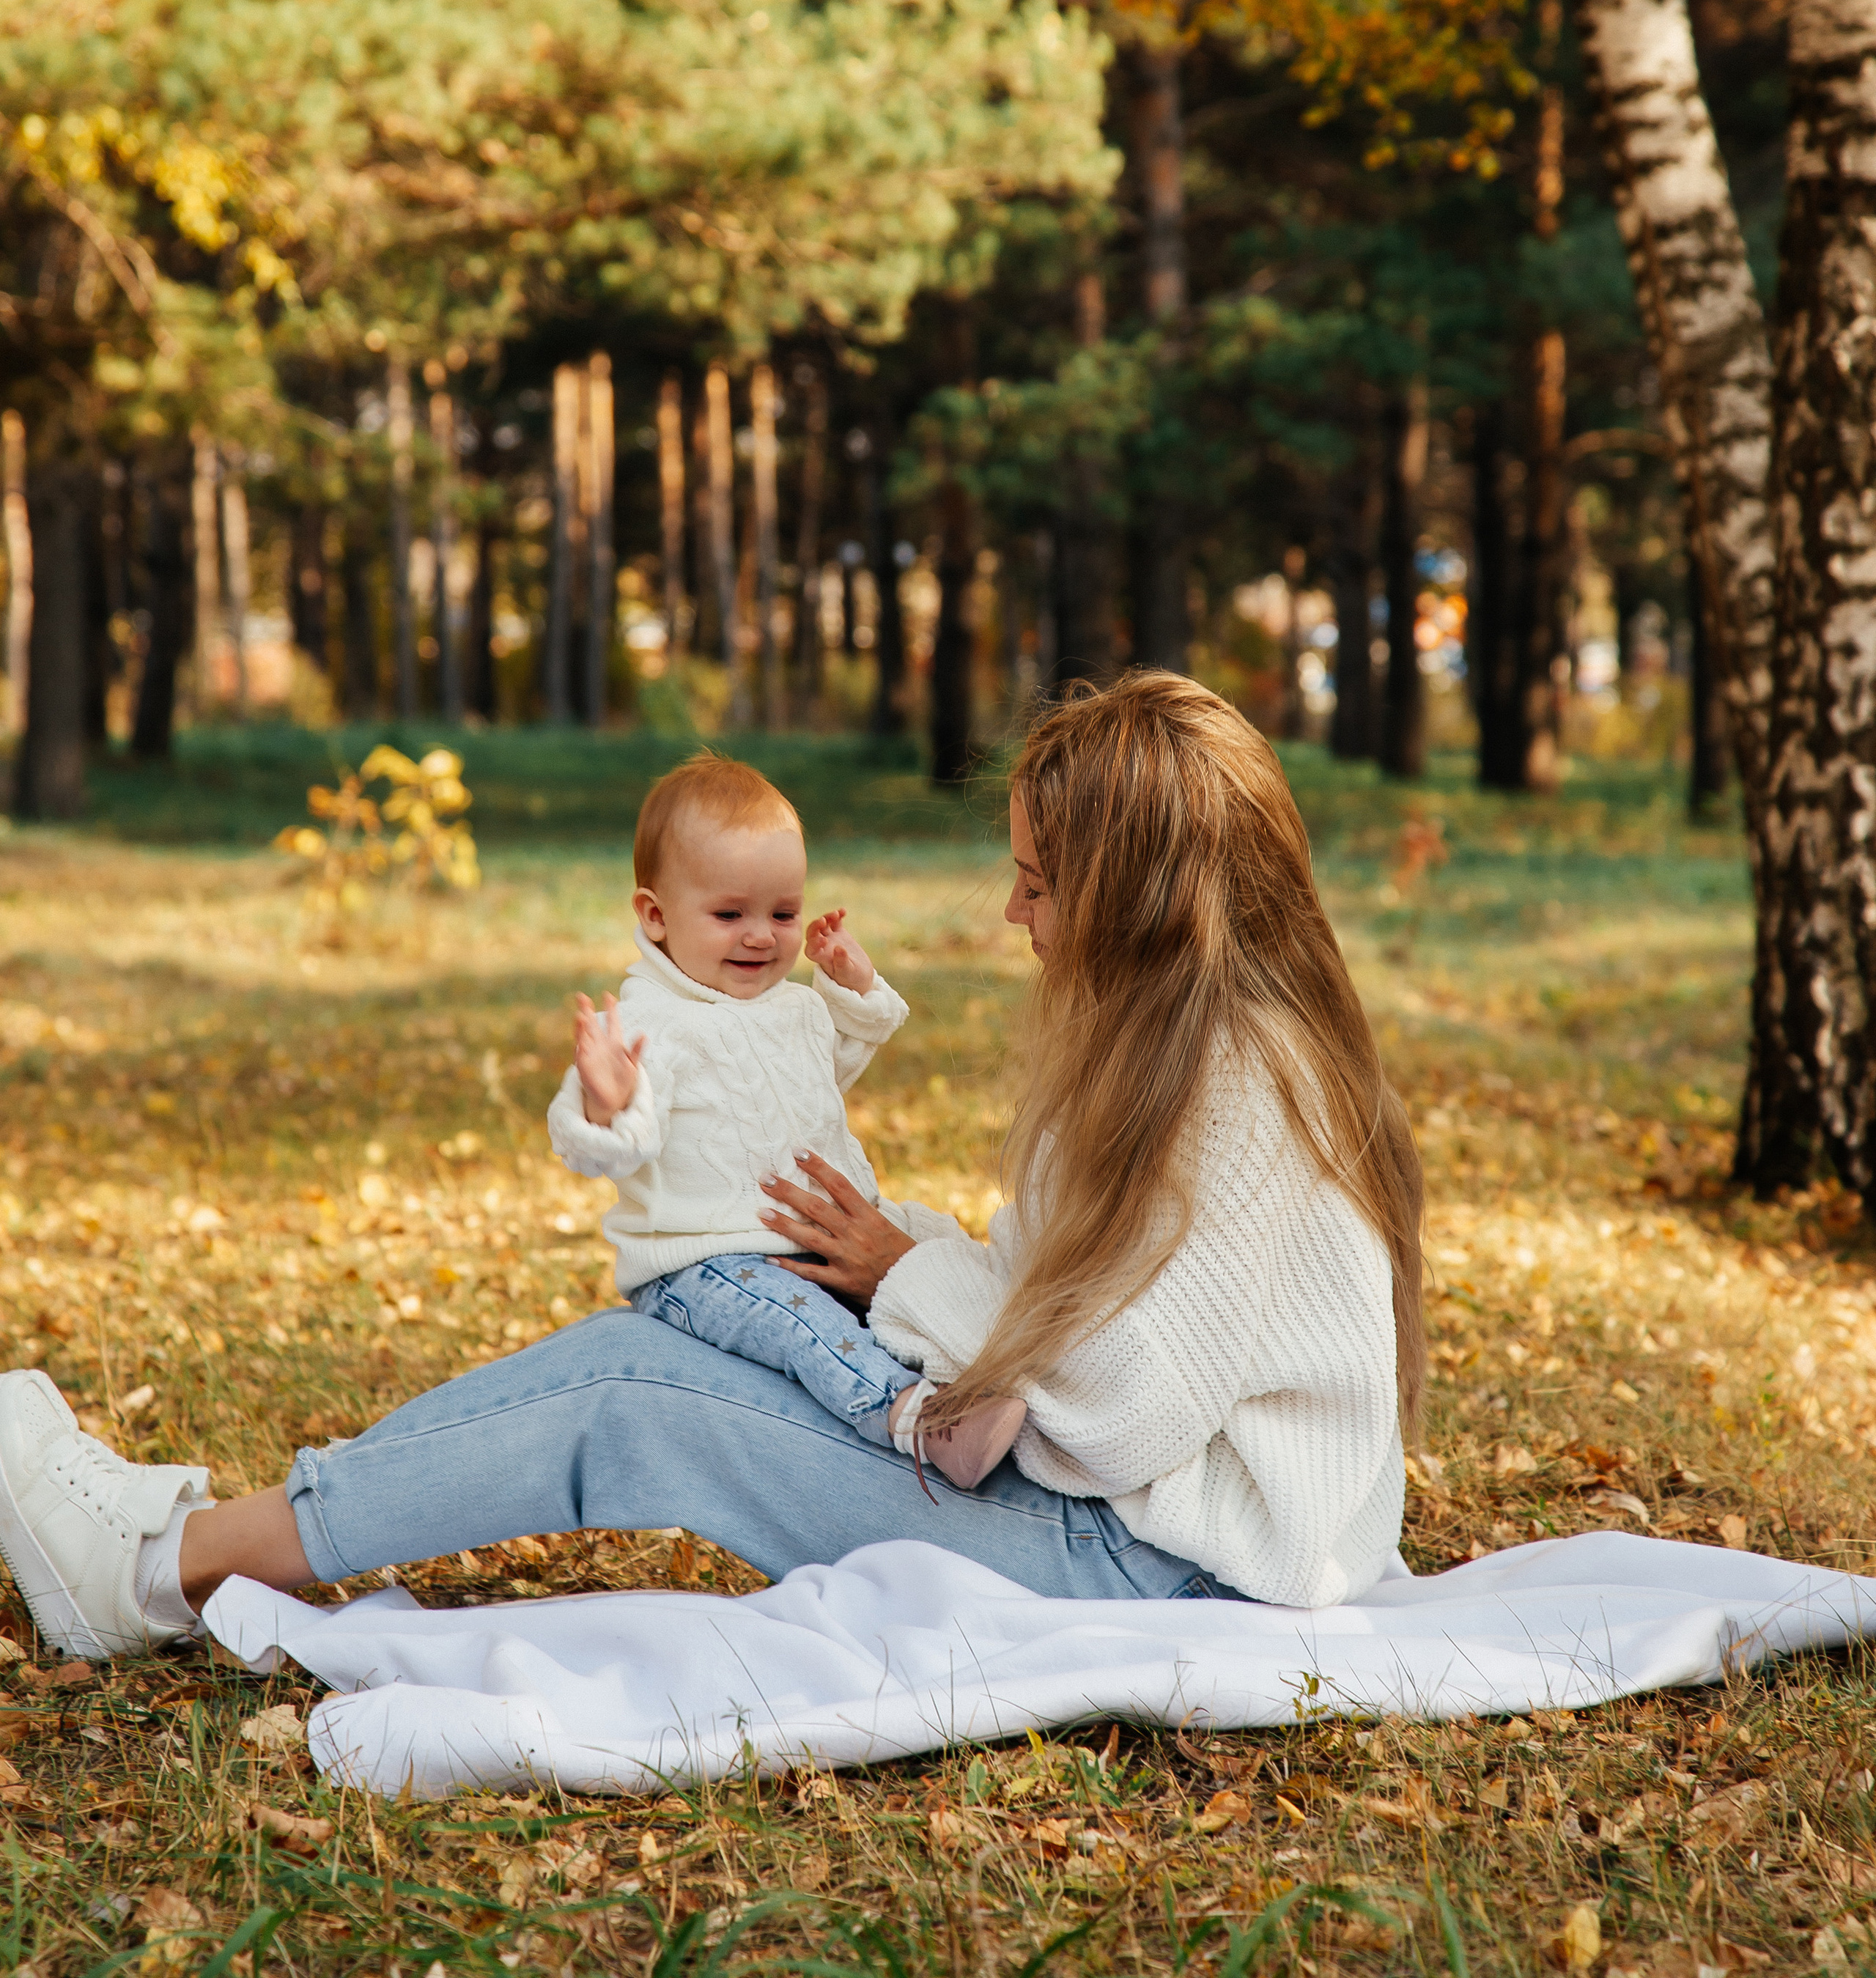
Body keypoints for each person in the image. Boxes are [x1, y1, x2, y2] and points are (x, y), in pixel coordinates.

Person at [0, 673, 1425, 1662]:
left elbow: (1119, 1408)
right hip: (1137, 1532)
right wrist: (896, 1263)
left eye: (1040, 884)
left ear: (1138, 893)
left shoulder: (1240, 1089)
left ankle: (149, 1567)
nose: (1011, 913)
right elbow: (1090, 1320)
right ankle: (179, 1539)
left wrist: (904, 1271)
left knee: (638, 1396)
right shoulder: (1194, 1045)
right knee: (681, 1350)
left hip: (1147, 1564)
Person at [550, 750, 1024, 1488]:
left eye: (783, 914)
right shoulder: (652, 1023)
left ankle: (967, 1377)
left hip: (808, 1241)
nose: (762, 937)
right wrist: (606, 1103)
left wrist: (849, 988)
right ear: (655, 916)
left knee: (910, 1274)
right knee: (805, 1323)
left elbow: (821, 1079)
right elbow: (613, 1149)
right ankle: (913, 1420)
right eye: (729, 914)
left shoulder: (791, 1005)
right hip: (706, 1264)